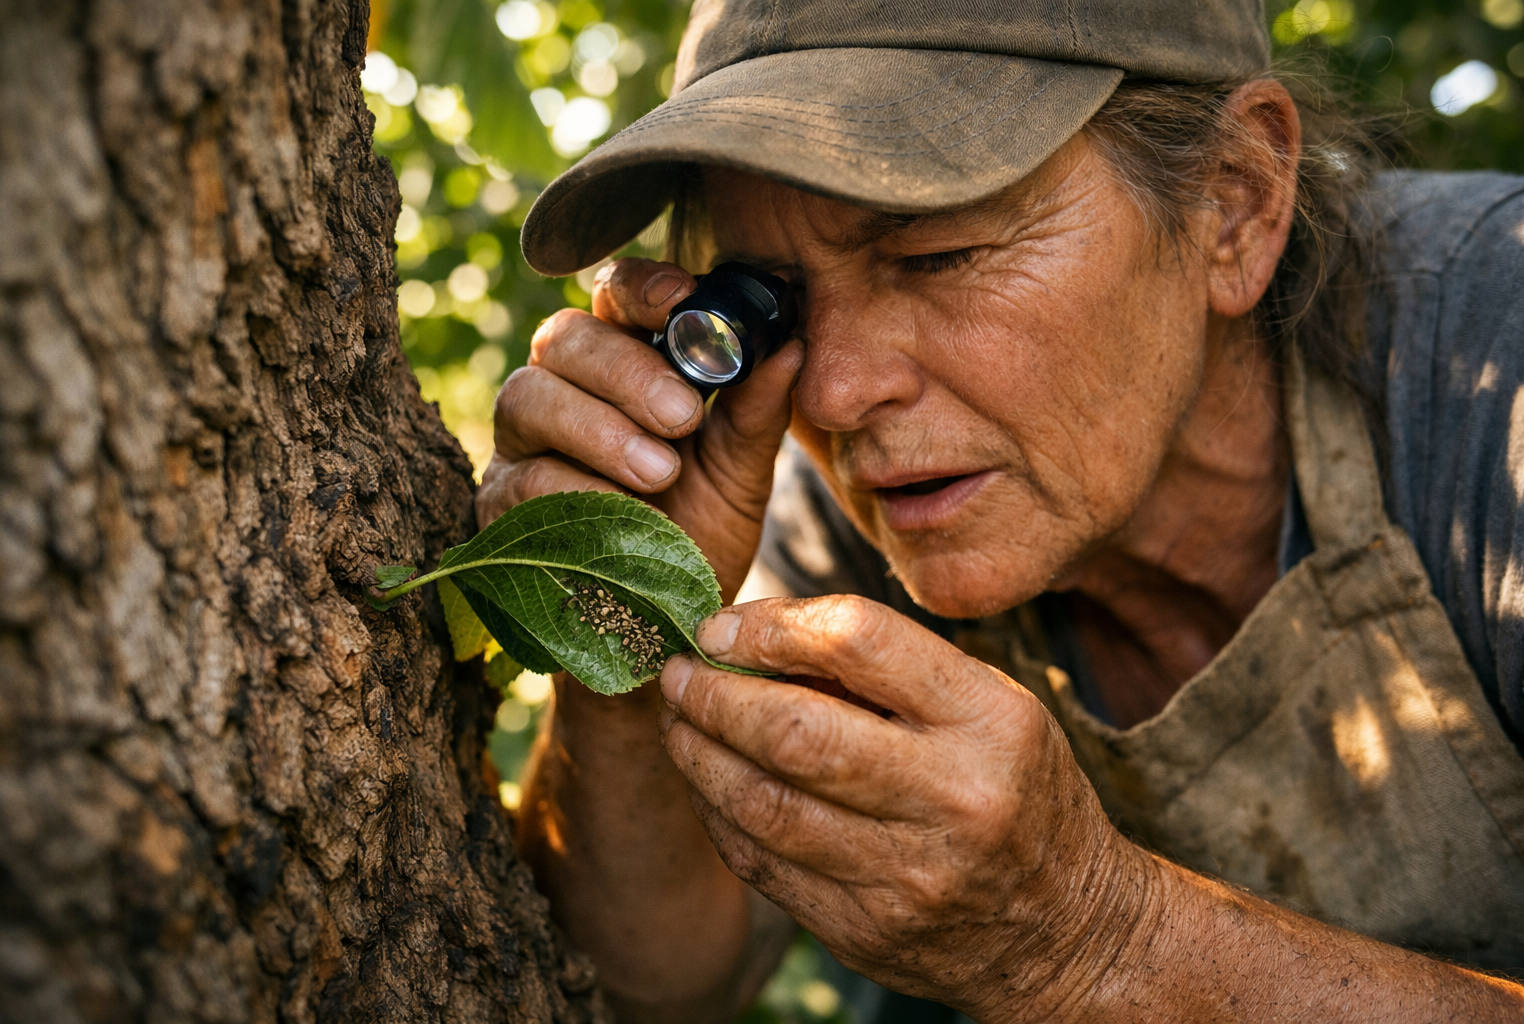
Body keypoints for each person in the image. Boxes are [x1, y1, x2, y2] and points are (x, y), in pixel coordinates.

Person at [477, 0, 1524, 1019]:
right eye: (773, 298)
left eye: (937, 255)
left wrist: (1098, 945)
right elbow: (652, 986)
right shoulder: (844, 522)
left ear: (1233, 201)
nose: (837, 393)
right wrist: (626, 609)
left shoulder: (1498, 373)